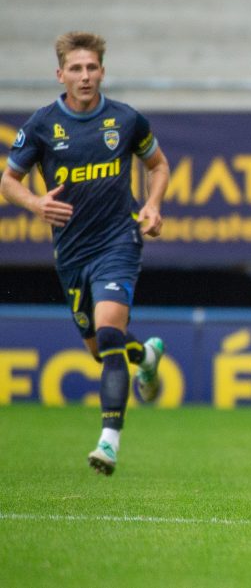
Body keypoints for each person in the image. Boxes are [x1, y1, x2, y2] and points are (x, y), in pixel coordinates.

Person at [0, 31, 170, 476]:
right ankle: (146, 357)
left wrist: (152, 205)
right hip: (73, 253)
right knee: (100, 348)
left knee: (110, 334)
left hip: (119, 240)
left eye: (92, 67)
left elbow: (157, 165)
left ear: (102, 71)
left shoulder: (126, 120)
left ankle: (108, 442)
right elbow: (8, 181)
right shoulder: (41, 126)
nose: (85, 75)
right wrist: (36, 203)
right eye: (76, 68)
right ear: (60, 75)